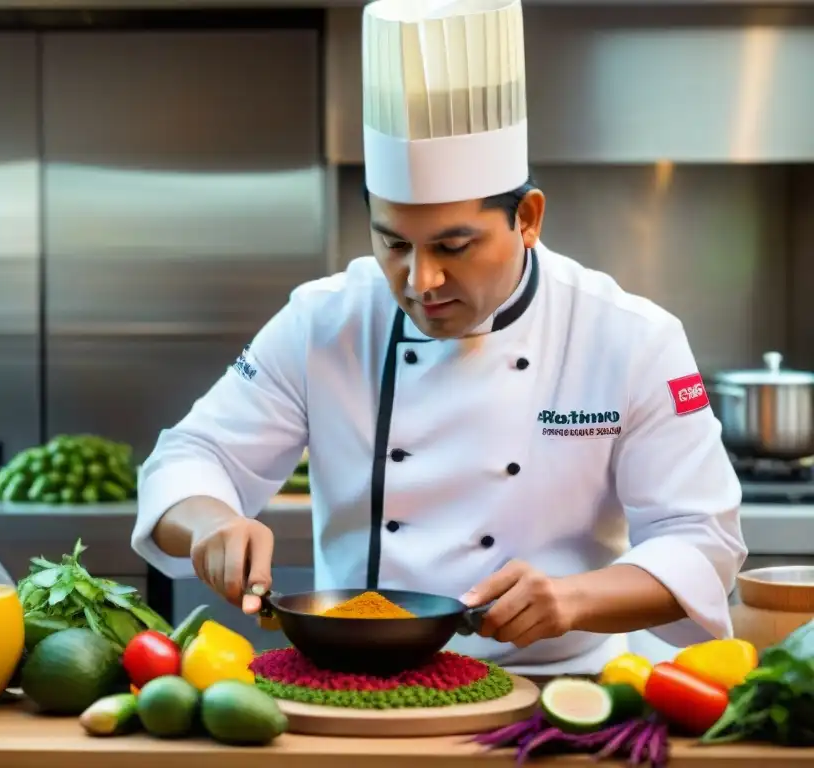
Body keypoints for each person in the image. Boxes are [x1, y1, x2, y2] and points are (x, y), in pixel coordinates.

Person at [132, 0, 747, 675]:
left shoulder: (631, 338)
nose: (421, 279)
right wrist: (213, 525)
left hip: (555, 689)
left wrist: (574, 598)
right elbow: (190, 457)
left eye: (455, 245)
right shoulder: (325, 321)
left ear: (529, 219)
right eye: (394, 243)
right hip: (357, 684)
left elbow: (702, 540)